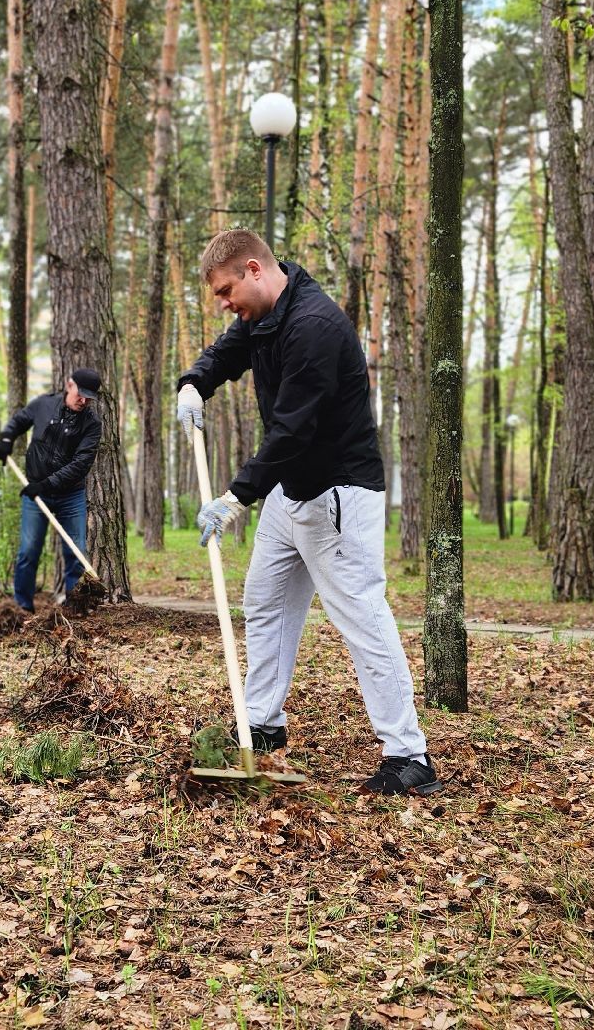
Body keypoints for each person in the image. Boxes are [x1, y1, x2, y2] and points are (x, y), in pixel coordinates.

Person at [175, 229, 443, 797]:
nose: (224, 304)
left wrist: (234, 497)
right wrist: (196, 382)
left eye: (226, 291)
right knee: (266, 602)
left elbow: (294, 429)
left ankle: (408, 755)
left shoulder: (314, 327)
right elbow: (230, 350)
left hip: (337, 495)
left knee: (363, 619)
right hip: (290, 496)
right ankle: (264, 725)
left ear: (253, 270)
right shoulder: (264, 316)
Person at [0, 370, 102, 611]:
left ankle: (74, 610)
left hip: (70, 495)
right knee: (28, 552)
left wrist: (45, 484)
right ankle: (22, 607)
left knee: (75, 553)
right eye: (80, 394)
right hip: (36, 495)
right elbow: (19, 421)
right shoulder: (43, 405)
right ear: (69, 385)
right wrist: (6, 438)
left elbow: (80, 464)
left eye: (89, 398)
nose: (83, 401)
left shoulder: (92, 424)